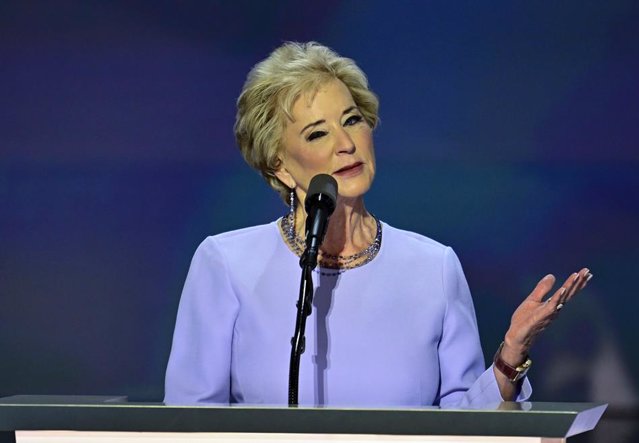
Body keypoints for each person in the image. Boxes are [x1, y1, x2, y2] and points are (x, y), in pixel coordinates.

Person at [164, 41, 592, 407]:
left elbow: (465, 425)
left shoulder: (433, 267)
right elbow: (188, 422)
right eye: (317, 134)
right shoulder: (226, 264)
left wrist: (509, 357)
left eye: (352, 120)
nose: (346, 143)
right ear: (279, 166)